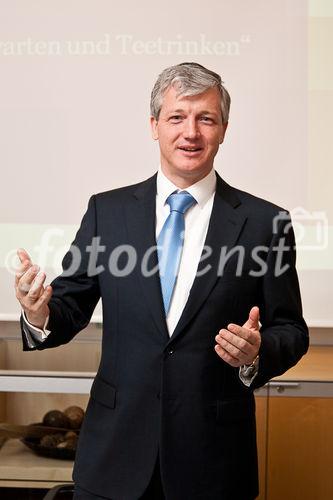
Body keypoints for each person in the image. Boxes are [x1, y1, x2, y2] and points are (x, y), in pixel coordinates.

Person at [15, 62, 308, 500]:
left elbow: (291, 329)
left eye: (205, 118)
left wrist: (258, 352)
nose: (190, 132)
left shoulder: (266, 223)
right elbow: (69, 307)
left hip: (213, 464)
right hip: (112, 459)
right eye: (176, 117)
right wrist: (38, 312)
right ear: (154, 126)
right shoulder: (107, 213)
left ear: (223, 129)